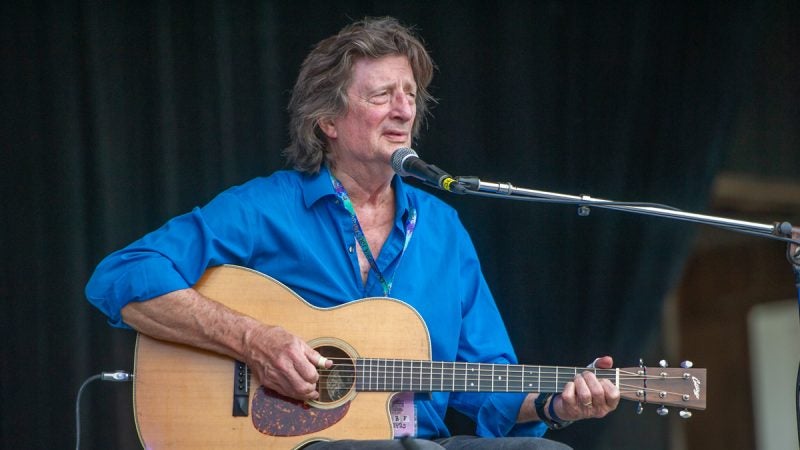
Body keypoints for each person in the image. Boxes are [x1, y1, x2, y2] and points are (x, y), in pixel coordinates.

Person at [86, 17, 619, 449]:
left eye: (410, 94)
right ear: (328, 121)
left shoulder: (442, 229)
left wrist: (553, 403)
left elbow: (487, 382)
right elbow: (124, 275)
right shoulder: (267, 208)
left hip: (420, 441)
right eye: (382, 94)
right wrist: (253, 341)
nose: (404, 109)